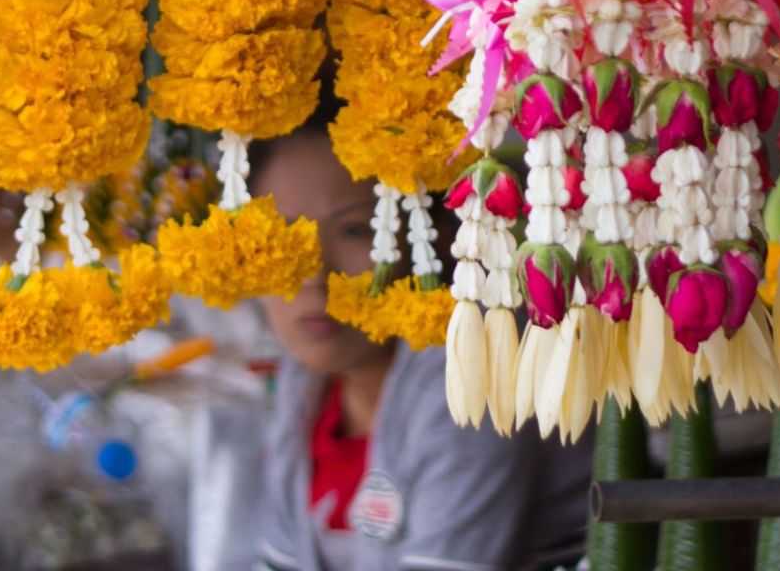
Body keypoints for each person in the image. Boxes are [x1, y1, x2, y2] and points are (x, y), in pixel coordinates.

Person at [248, 104, 593, 571]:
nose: (312, 273)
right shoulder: (304, 382)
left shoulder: (471, 375)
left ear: (431, 237)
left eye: (353, 230)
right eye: (282, 238)